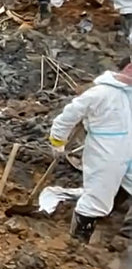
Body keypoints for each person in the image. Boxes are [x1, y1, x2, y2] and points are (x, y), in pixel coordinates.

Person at [49, 59, 132, 242]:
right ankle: (78, 241)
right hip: (106, 152)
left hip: (128, 151)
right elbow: (69, 116)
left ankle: (120, 233)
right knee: (98, 195)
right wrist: (57, 139)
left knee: (122, 187)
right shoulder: (101, 93)